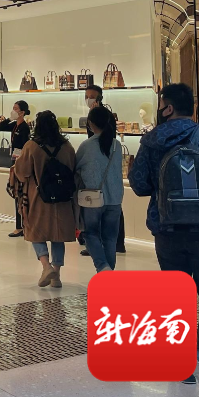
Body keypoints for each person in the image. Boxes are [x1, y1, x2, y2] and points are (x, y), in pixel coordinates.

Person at [129, 83, 199, 397]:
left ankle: (182, 364)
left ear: (167, 107)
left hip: (167, 230)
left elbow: (139, 186)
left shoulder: (151, 142)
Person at [13, 111, 77, 289]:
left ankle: (46, 266)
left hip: (38, 197)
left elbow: (22, 172)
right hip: (63, 197)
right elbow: (73, 167)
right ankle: (56, 275)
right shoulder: (66, 146)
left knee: (35, 230)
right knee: (58, 235)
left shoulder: (31, 146)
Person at [75, 105, 124, 272]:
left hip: (92, 198)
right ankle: (108, 272)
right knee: (110, 238)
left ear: (91, 123)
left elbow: (76, 167)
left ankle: (103, 267)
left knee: (90, 234)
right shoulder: (117, 145)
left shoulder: (86, 146)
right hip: (115, 198)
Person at [0, 100, 30, 237]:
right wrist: (10, 119)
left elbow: (24, 146)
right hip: (14, 161)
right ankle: (20, 225)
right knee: (16, 193)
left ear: (22, 112)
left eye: (16, 109)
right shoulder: (14, 125)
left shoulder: (24, 128)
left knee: (20, 193)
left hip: (20, 163)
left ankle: (21, 226)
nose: (13, 110)